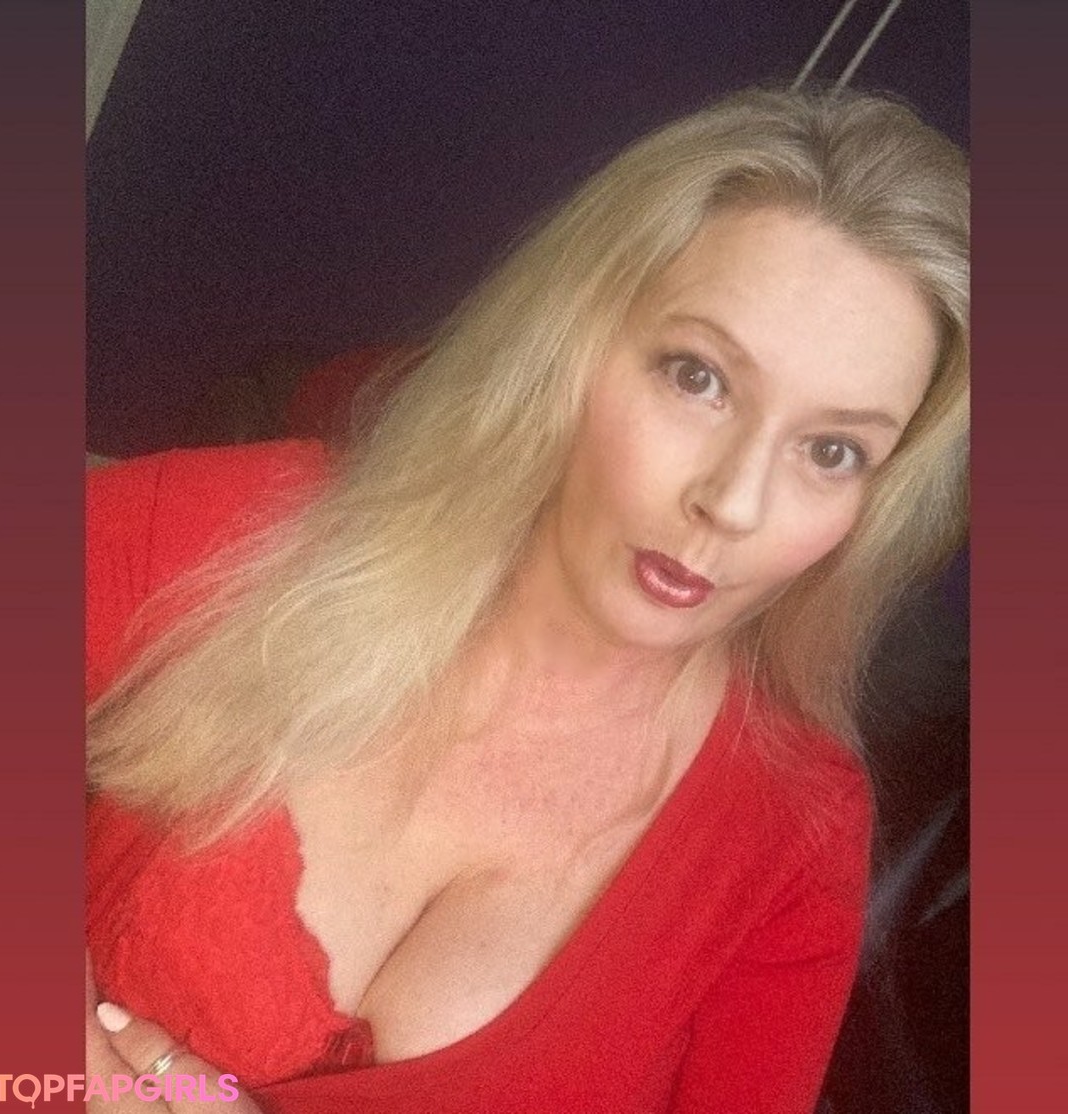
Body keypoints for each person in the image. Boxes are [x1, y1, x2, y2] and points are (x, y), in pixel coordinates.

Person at [85, 84, 969, 1113]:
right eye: (697, 377)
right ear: (571, 344)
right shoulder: (250, 535)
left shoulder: (796, 837)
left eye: (832, 451)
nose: (732, 503)